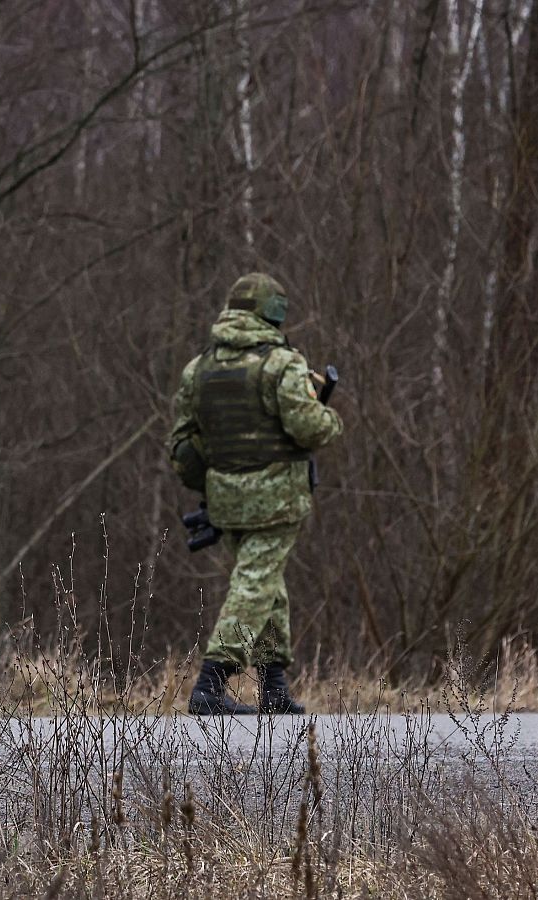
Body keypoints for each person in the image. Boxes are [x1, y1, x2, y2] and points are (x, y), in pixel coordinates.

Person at [168, 272, 342, 716]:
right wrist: (330, 416)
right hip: (277, 500)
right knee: (255, 584)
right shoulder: (283, 364)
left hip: (225, 501)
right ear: (273, 314)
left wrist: (211, 482)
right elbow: (311, 428)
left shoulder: (199, 369)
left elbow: (183, 446)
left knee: (266, 585)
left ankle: (273, 685)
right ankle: (211, 681)